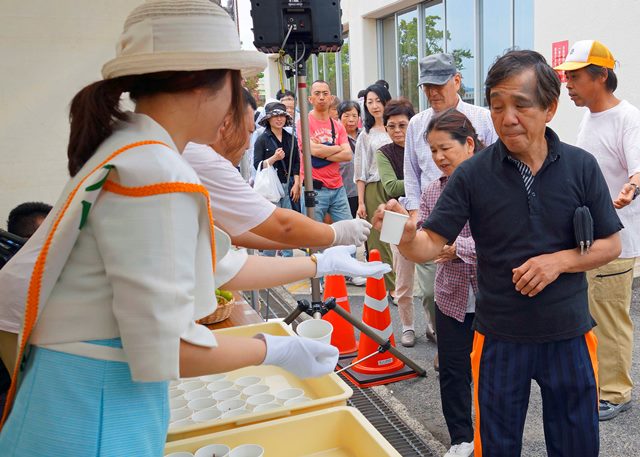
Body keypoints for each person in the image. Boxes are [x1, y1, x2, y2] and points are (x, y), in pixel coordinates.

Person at [0, 2, 389, 455]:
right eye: (237, 79)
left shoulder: (133, 150)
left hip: (76, 401)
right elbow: (168, 349)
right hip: (92, 418)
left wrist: (319, 260)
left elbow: (217, 266)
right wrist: (275, 350)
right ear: (208, 82)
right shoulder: (154, 170)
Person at [376, 49, 623, 457]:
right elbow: (428, 245)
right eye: (496, 106)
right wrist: (402, 235)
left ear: (550, 108)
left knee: (577, 444)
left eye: (521, 105)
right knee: (497, 445)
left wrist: (559, 261)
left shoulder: (581, 166)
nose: (507, 117)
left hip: (569, 332)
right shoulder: (473, 174)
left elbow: (611, 244)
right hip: (498, 338)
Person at [556, 40, 640, 421]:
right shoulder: (590, 116)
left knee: (609, 317)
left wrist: (631, 187)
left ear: (601, 75)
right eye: (566, 77)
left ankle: (617, 392)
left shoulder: (627, 118)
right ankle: (599, 383)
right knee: (591, 316)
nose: (568, 85)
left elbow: (638, 168)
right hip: (590, 238)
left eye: (574, 77)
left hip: (618, 241)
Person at [183, 90, 371, 255]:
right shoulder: (209, 160)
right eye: (248, 132)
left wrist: (317, 263)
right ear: (225, 124)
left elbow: (237, 234)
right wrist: (335, 234)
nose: (248, 143)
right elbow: (281, 224)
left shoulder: (194, 153)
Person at [404, 53, 497, 350]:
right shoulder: (417, 124)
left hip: (479, 221)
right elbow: (411, 174)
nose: (432, 93)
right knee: (434, 293)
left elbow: (497, 166)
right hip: (433, 223)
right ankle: (448, 345)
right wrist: (417, 221)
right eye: (426, 87)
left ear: (456, 81)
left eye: (439, 85)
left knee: (484, 293)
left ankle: (475, 350)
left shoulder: (482, 118)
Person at [418, 109, 483, 457]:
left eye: (446, 148)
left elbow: (508, 242)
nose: (439, 157)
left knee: (491, 374)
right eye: (433, 150)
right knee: (454, 373)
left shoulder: (496, 185)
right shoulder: (434, 190)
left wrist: (459, 247)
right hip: (452, 296)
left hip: (494, 298)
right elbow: (423, 235)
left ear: (469, 144)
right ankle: (461, 438)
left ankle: (490, 435)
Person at [375, 98, 417, 346]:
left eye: (403, 125)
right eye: (391, 126)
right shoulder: (383, 153)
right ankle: (408, 326)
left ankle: (434, 326)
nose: (397, 131)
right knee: (401, 276)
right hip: (393, 216)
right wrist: (418, 183)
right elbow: (390, 185)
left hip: (422, 212)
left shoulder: (423, 146)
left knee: (433, 276)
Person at [354, 84, 395, 291]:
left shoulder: (396, 127)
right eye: (369, 102)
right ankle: (390, 286)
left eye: (378, 100)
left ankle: (397, 284)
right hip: (374, 188)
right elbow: (360, 171)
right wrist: (361, 202)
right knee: (379, 238)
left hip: (397, 187)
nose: (374, 106)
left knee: (397, 236)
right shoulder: (365, 134)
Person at [297, 80, 353, 224]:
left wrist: (322, 151)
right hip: (314, 188)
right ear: (310, 99)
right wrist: (337, 148)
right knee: (315, 236)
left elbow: (347, 155)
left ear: (331, 98)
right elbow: (311, 149)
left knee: (348, 232)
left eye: (325, 93)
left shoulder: (338, 126)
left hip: (338, 187)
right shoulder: (303, 122)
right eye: (317, 93)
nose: (321, 97)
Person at [253, 101, 301, 257]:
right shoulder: (262, 139)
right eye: (275, 116)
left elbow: (296, 162)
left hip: (289, 185)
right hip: (271, 187)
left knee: (288, 223)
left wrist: (297, 183)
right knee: (273, 224)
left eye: (281, 116)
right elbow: (257, 165)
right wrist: (274, 158)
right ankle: (268, 258)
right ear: (268, 119)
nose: (279, 119)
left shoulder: (290, 137)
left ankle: (287, 257)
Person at [337, 100, 361, 218]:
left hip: (364, 193)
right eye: (346, 116)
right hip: (345, 192)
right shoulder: (335, 139)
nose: (351, 119)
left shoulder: (364, 136)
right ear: (339, 117)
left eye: (354, 116)